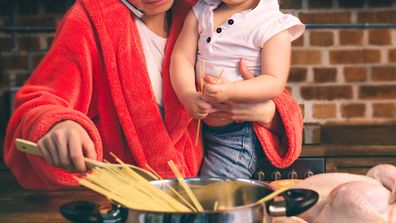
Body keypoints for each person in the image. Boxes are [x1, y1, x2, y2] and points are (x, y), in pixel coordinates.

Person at [3, 0, 303, 190]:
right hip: (120, 200)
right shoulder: (89, 20)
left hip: (195, 192)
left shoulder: (200, 12)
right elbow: (42, 102)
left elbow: (271, 89)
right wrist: (60, 124)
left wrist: (268, 114)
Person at [170, 0, 304, 178]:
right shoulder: (201, 11)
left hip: (237, 134)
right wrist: (187, 95)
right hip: (200, 129)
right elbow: (182, 57)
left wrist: (231, 90)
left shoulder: (271, 23)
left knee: (216, 195)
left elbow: (273, 82)